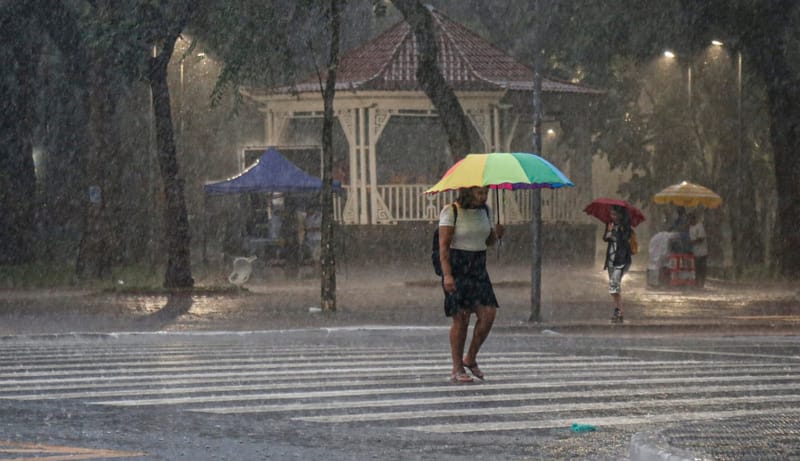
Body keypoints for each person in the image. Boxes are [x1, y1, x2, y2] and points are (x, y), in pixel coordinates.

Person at [438, 186, 504, 384]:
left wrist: (497, 234)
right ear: (467, 192)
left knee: (488, 313)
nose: (483, 197)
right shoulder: (451, 211)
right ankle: (457, 368)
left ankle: (471, 357)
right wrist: (447, 275)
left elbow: (488, 241)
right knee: (462, 318)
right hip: (457, 266)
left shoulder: (486, 211)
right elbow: (443, 246)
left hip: (478, 267)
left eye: (485, 193)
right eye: (478, 193)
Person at [603, 205, 632, 323]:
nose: (613, 217)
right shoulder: (610, 225)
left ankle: (619, 310)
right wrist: (609, 232)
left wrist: (616, 232)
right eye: (611, 214)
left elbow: (624, 240)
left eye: (615, 214)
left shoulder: (625, 227)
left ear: (620, 215)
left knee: (614, 285)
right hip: (611, 259)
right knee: (613, 287)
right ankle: (618, 310)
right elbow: (605, 238)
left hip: (621, 260)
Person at [688, 212, 708, 288]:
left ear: (694, 219)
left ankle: (702, 284)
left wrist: (692, 242)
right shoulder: (690, 227)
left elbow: (701, 238)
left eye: (691, 219)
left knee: (702, 269)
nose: (690, 221)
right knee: (696, 269)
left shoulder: (699, 226)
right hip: (695, 252)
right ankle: (697, 284)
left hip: (702, 252)